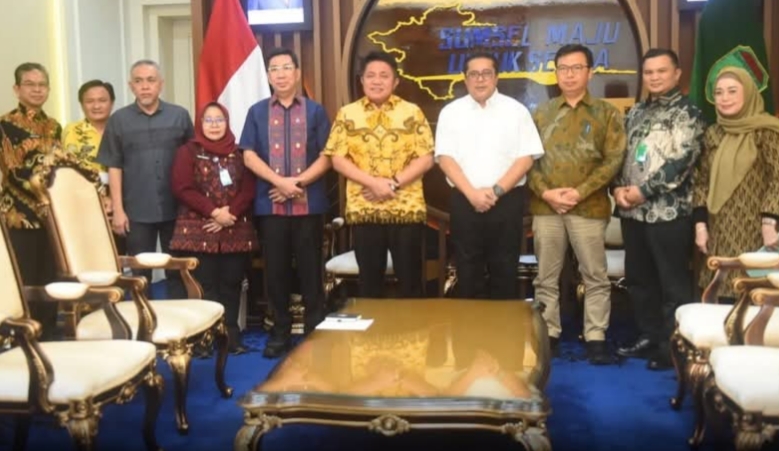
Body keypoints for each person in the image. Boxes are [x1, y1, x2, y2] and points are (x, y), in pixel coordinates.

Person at [527, 44, 626, 365]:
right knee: (546, 276)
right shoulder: (540, 114)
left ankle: (596, 336)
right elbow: (527, 161)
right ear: (555, 73)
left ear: (590, 72)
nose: (569, 75)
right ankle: (549, 333)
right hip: (547, 208)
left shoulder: (607, 113)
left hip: (588, 207)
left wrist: (579, 192)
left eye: (576, 68)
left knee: (595, 276)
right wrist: (547, 194)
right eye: (563, 68)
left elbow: (613, 160)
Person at [614, 49, 704, 370]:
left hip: (669, 214)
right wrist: (617, 188)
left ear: (677, 73)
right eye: (649, 72)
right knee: (639, 280)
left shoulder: (688, 113)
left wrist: (643, 191)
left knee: (672, 284)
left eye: (661, 71)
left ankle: (672, 347)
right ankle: (649, 336)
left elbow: (681, 162)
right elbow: (620, 155)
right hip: (632, 214)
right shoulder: (636, 112)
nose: (654, 77)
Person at [240, 48, 331, 358]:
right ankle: (279, 332)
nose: (280, 74)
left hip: (309, 206)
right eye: (274, 69)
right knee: (275, 272)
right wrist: (279, 183)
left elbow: (328, 156)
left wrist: (297, 184)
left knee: (311, 271)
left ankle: (315, 332)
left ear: (297, 73)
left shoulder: (316, 111)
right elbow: (248, 155)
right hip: (271, 206)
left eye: (285, 67)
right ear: (268, 76)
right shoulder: (256, 112)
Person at [323, 51, 434, 299]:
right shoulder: (347, 114)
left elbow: (426, 158)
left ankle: (412, 326)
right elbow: (337, 158)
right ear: (361, 80)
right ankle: (372, 326)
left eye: (384, 76)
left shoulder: (412, 112)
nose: (377, 81)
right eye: (370, 75)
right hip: (365, 208)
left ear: (395, 81)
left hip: (405, 209)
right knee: (369, 284)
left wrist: (392, 184)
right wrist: (373, 183)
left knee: (411, 283)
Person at [435, 52, 544, 300]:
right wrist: (472, 194)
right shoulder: (451, 112)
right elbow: (445, 158)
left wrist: (495, 192)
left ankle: (502, 325)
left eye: (486, 73)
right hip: (465, 200)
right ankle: (471, 324)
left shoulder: (516, 111)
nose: (480, 79)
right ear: (465, 79)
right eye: (473, 74)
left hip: (506, 201)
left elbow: (526, 158)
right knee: (467, 271)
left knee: (504, 270)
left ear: (496, 77)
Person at [97, 59, 194, 298]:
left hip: (176, 208)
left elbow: (193, 161)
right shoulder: (118, 120)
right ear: (131, 86)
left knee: (177, 270)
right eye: (138, 81)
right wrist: (118, 210)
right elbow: (114, 166)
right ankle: (142, 318)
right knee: (140, 273)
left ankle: (178, 316)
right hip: (136, 209)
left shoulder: (179, 116)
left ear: (161, 84)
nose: (145, 86)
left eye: (151, 80)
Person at [170, 102, 257, 354]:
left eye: (219, 120)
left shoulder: (240, 152)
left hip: (234, 227)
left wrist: (230, 213)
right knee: (205, 286)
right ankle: (205, 339)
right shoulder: (187, 151)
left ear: (227, 123)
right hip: (199, 230)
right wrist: (214, 212)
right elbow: (182, 187)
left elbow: (249, 188)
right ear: (200, 124)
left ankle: (230, 337)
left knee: (231, 283)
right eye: (208, 120)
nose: (214, 125)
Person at [693, 63, 779, 300]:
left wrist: (770, 222)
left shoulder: (767, 131)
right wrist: (700, 226)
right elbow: (701, 181)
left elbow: (778, 178)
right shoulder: (713, 133)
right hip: (719, 230)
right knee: (720, 295)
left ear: (749, 93)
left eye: (732, 91)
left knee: (755, 294)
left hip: (757, 231)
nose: (724, 98)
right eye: (719, 92)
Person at [0, 63, 62, 340]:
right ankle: (21, 336)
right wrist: (42, 195)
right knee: (24, 276)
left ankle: (48, 333)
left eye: (42, 85)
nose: (37, 90)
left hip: (51, 215)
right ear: (17, 89)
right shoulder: (5, 125)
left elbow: (57, 168)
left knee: (51, 274)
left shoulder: (54, 126)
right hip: (19, 214)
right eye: (30, 84)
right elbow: (12, 170)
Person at [63, 80, 116, 214]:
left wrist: (113, 198)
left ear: (112, 103)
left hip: (119, 199)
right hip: (81, 199)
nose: (96, 106)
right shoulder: (71, 130)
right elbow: (66, 167)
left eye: (102, 100)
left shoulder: (122, 129)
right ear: (81, 105)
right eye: (89, 101)